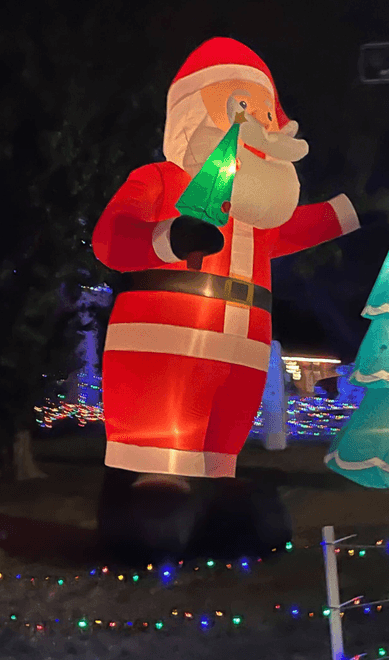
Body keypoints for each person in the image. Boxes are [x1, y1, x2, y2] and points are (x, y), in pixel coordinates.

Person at [91, 38, 361, 561]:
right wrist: (169, 236)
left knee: (220, 445)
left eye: (264, 111)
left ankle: (219, 506)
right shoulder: (162, 180)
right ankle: (151, 505)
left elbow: (285, 232)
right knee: (165, 440)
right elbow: (112, 236)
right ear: (194, 114)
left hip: (241, 346)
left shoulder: (255, 213)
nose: (258, 123)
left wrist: (344, 214)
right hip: (164, 345)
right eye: (241, 108)